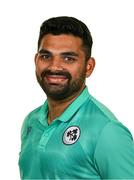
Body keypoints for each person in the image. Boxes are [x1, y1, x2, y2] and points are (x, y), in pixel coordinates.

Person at [18, 16, 134, 179]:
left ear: (89, 67)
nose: (54, 66)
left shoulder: (107, 131)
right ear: (36, 60)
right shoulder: (31, 121)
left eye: (68, 58)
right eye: (46, 56)